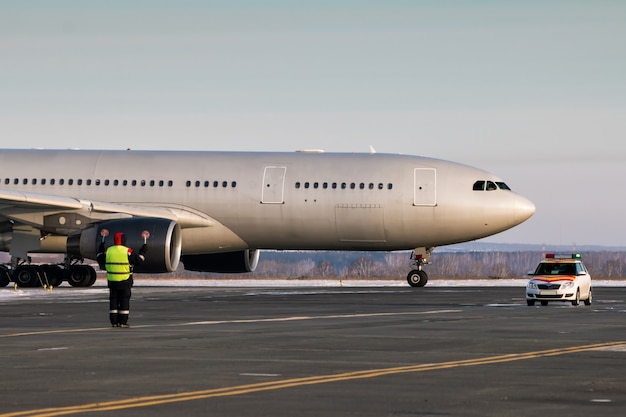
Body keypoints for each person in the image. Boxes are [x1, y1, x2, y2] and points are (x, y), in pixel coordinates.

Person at [97, 230, 148, 328]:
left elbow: (99, 257)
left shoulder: (108, 251)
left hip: (112, 281)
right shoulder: (127, 251)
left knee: (113, 301)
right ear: (124, 240)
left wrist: (101, 245)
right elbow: (139, 261)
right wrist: (143, 250)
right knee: (124, 301)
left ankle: (114, 322)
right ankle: (123, 322)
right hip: (125, 280)